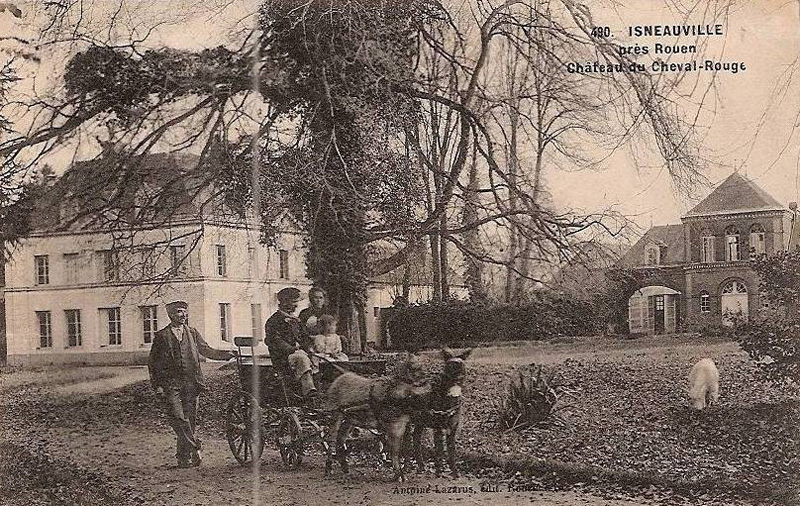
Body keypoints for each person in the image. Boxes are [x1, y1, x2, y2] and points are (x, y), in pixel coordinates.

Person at [148, 301, 234, 468]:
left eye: (185, 312)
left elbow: (206, 350)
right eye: (180, 312)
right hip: (170, 384)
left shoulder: (192, 333)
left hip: (191, 383)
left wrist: (226, 355)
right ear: (171, 314)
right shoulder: (161, 336)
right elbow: (153, 364)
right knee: (178, 418)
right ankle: (195, 446)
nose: (183, 315)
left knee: (190, 421)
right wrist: (157, 385)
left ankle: (183, 458)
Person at [264, 287, 316, 397]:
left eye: (297, 302)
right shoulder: (273, 321)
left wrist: (309, 347)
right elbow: (274, 340)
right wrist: (291, 349)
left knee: (318, 358)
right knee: (301, 359)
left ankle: (321, 388)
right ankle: (309, 390)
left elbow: (305, 337)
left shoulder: (296, 320)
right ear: (284, 302)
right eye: (294, 302)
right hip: (283, 357)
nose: (296, 305)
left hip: (299, 353)